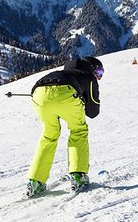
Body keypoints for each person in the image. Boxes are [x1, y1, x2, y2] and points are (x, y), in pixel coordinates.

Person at [26, 56, 103, 197]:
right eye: (99, 72)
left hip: (38, 93)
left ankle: (35, 181)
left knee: (49, 135)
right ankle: (78, 176)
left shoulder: (62, 72)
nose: (99, 76)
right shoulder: (89, 76)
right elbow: (93, 111)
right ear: (92, 69)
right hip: (66, 93)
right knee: (79, 131)